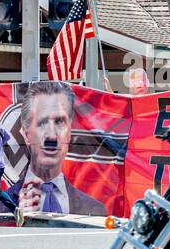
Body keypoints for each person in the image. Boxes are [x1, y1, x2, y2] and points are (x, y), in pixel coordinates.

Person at [12, 81, 108, 217]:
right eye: (42, 122)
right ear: (27, 134)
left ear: (69, 133)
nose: (51, 135)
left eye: (59, 122)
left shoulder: (95, 210)